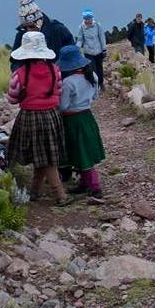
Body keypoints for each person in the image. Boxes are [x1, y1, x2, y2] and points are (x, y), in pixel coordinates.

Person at [6, 32, 71, 206]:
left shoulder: (19, 74)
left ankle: (60, 194)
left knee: (44, 158)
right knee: (45, 155)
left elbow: (12, 98)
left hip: (30, 117)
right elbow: (58, 91)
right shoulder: (55, 70)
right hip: (50, 115)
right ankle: (35, 190)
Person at [57, 45, 106, 198]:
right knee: (85, 150)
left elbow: (63, 106)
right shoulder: (93, 76)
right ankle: (84, 183)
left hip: (72, 120)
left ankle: (94, 185)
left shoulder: (68, 82)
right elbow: (95, 97)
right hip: (87, 116)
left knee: (79, 151)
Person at [11, 0, 74, 71]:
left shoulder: (58, 29)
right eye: (25, 27)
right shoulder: (21, 34)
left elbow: (72, 53)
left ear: (39, 21)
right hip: (30, 78)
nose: (28, 30)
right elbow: (15, 62)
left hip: (58, 76)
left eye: (31, 26)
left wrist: (59, 70)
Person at [75, 8, 107, 92]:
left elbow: (102, 37)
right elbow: (80, 39)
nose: (87, 21)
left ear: (92, 18)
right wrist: (77, 48)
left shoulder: (98, 25)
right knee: (93, 69)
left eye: (89, 19)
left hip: (98, 51)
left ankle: (101, 83)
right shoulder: (81, 27)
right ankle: (95, 86)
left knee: (99, 68)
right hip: (88, 52)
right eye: (85, 19)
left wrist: (104, 49)